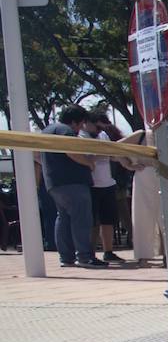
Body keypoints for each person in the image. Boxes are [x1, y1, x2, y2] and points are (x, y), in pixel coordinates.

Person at [40, 105, 104, 269]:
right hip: (73, 183)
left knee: (63, 219)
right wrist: (89, 163)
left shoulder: (47, 130)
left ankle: (66, 257)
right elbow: (71, 152)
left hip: (54, 184)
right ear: (75, 121)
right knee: (81, 219)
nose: (81, 128)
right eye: (81, 124)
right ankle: (85, 256)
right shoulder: (65, 131)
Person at [81, 108, 126, 264]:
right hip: (91, 185)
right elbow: (88, 158)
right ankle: (90, 253)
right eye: (97, 127)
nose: (99, 130)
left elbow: (112, 155)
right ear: (86, 123)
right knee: (92, 222)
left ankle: (108, 251)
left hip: (107, 183)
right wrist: (104, 153)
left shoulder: (103, 135)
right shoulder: (81, 137)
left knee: (108, 220)